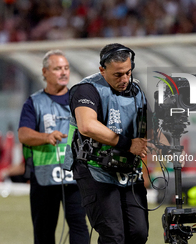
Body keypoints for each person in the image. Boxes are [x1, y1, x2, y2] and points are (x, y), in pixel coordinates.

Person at [63, 43, 149, 244]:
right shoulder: (86, 90)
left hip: (128, 171)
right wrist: (128, 144)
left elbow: (144, 132)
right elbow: (87, 126)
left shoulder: (136, 92)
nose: (125, 79)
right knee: (113, 236)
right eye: (118, 75)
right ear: (102, 70)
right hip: (94, 170)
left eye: (128, 72)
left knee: (138, 234)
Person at [18, 50, 89, 244]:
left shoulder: (81, 100)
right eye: (58, 68)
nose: (63, 72)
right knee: (44, 230)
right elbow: (23, 134)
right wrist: (45, 136)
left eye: (66, 68)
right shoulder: (34, 102)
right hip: (44, 176)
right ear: (45, 72)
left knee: (79, 226)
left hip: (75, 175)